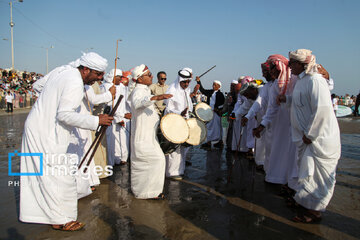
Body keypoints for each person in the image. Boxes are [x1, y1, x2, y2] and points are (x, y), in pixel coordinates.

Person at [19, 52, 114, 231]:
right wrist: (96, 121)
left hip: (40, 127)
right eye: (98, 74)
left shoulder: (63, 70)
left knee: (52, 176)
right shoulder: (75, 81)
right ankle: (61, 219)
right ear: (85, 69)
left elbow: (38, 85)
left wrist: (48, 103)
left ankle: (56, 217)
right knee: (59, 176)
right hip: (45, 132)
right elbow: (64, 114)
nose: (99, 79)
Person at [282, 49, 341, 223]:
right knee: (307, 174)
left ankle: (313, 212)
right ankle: (307, 208)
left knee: (316, 176)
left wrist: (311, 134)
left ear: (301, 64)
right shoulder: (301, 81)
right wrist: (286, 99)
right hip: (306, 139)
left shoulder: (316, 81)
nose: (289, 67)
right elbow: (300, 102)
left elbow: (322, 109)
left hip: (318, 140)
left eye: (291, 63)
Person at [253, 54, 297, 194]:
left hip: (297, 125)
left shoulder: (295, 80)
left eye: (272, 68)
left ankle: (293, 186)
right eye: (270, 69)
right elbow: (272, 108)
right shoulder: (274, 87)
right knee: (279, 151)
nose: (271, 72)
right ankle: (281, 180)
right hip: (280, 125)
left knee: (294, 156)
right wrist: (262, 126)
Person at [128, 64, 172, 199]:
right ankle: (145, 192)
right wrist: (155, 98)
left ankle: (149, 192)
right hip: (143, 136)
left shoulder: (145, 89)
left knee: (151, 163)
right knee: (155, 160)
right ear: (140, 79)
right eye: (149, 74)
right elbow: (137, 103)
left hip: (149, 136)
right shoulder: (138, 91)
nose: (152, 76)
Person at [241, 62, 275, 170]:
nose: (263, 75)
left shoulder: (269, 87)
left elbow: (264, 105)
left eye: (265, 72)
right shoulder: (266, 88)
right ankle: (263, 165)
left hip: (274, 123)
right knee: (263, 145)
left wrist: (248, 117)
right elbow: (256, 105)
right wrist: (247, 117)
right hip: (264, 123)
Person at [164, 68, 193, 180]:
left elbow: (189, 107)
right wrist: (179, 113)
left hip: (184, 123)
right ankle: (171, 172)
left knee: (182, 148)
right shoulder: (172, 90)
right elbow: (168, 109)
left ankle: (180, 170)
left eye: (188, 82)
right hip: (173, 122)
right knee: (174, 148)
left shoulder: (186, 91)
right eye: (184, 82)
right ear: (179, 81)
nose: (186, 84)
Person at [196, 77, 225, 149]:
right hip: (210, 113)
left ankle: (220, 142)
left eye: (215, 85)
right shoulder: (210, 92)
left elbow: (223, 104)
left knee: (217, 128)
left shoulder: (220, 94)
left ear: (219, 86)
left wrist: (218, 109)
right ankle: (209, 142)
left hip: (217, 113)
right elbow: (202, 90)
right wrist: (198, 82)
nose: (213, 86)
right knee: (209, 127)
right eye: (213, 85)